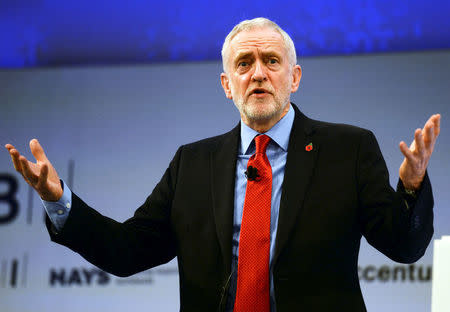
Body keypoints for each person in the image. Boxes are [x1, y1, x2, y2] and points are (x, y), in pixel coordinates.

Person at [5, 18, 441, 312]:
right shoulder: (191, 164)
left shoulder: (348, 149)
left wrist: (412, 185)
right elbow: (125, 251)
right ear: (227, 85)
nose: (258, 74)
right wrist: (58, 200)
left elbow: (404, 247)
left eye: (272, 62)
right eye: (244, 64)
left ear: (295, 77)